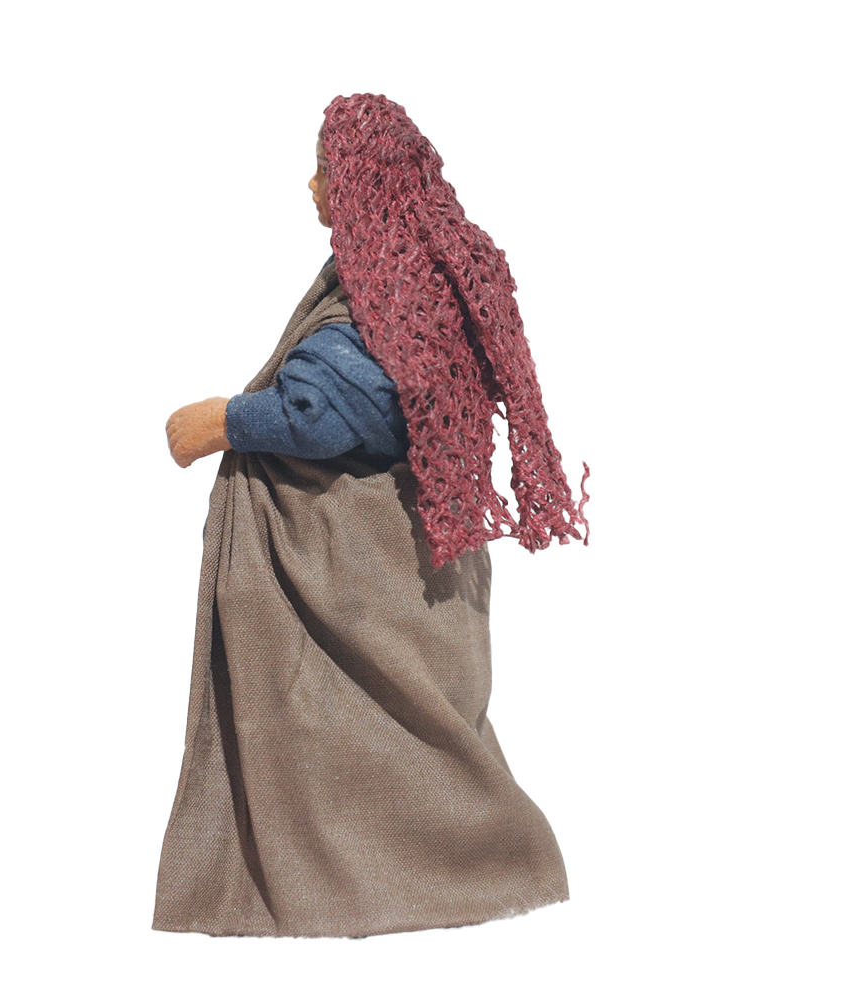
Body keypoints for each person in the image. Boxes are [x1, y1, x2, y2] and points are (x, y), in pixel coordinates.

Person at [153, 94, 587, 938]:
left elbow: (330, 413)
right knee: (388, 736)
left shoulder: (392, 290)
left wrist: (221, 421)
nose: (310, 186)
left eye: (324, 170)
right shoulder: (416, 270)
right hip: (420, 565)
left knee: (356, 728)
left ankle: (397, 872)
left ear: (359, 182)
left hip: (363, 577)